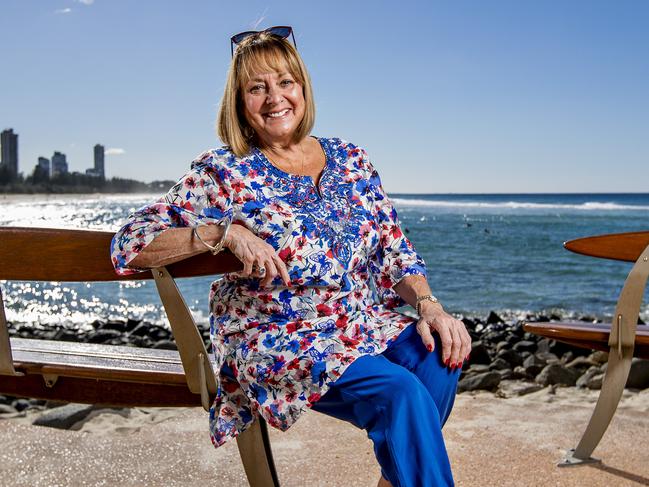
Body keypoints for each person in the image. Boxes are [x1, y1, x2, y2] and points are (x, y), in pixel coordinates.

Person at [110, 26, 471, 487]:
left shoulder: (352, 159)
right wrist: (221, 232)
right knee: (401, 395)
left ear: (303, 89)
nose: (274, 97)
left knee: (439, 355)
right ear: (239, 102)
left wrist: (429, 305)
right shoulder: (223, 171)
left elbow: (393, 251)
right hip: (276, 337)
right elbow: (131, 242)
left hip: (358, 325)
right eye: (256, 87)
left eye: (285, 82)